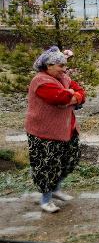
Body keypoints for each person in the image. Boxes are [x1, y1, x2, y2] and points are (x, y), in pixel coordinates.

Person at [25, 46, 86, 213]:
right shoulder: (40, 81)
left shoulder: (63, 78)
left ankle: (56, 190)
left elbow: (80, 93)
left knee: (69, 161)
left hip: (67, 129)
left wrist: (74, 95)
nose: (64, 69)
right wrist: (71, 95)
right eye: (61, 66)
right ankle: (46, 200)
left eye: (65, 66)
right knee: (47, 166)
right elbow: (59, 99)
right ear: (49, 66)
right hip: (44, 133)